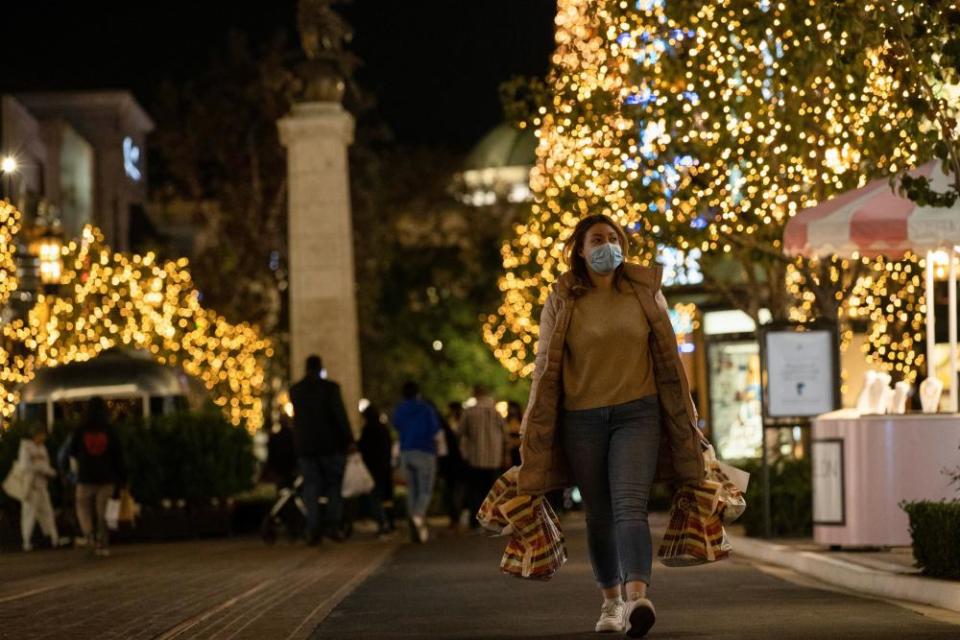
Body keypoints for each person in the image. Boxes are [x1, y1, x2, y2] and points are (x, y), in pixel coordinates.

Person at [516, 214, 706, 638]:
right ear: (579, 250)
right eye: (597, 240)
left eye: (614, 239)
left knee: (629, 507)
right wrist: (533, 422)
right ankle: (610, 603)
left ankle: (638, 597)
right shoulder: (562, 299)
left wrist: (684, 414)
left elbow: (669, 358)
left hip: (638, 413)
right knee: (599, 514)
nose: (607, 246)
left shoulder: (642, 292)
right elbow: (545, 367)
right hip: (581, 419)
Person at [289, 355, 355, 545]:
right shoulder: (330, 389)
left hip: (306, 448)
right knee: (334, 485)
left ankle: (313, 527)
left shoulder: (296, 390)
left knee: (311, 487)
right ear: (320, 368)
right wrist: (349, 440)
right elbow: (340, 416)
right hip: (330, 447)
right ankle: (332, 525)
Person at [70, 397, 126, 557]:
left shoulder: (80, 429)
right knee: (103, 512)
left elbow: (72, 451)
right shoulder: (109, 429)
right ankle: (102, 542)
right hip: (107, 478)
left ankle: (89, 536)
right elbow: (118, 456)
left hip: (85, 477)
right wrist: (122, 478)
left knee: (83, 507)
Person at [391, 381, 440, 544]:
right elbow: (435, 429)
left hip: (406, 451)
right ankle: (418, 516)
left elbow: (396, 425)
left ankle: (413, 521)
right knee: (425, 489)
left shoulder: (400, 409)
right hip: (425, 451)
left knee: (411, 490)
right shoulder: (425, 408)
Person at [459, 385, 508, 529]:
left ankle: (477, 521)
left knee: (475, 490)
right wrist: (505, 454)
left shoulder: (469, 412)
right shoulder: (496, 412)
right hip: (494, 459)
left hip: (475, 458)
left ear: (474, 393)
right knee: (493, 491)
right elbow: (505, 435)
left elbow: (460, 433)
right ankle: (493, 519)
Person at [17, 424, 59, 551]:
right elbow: (24, 467)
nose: (44, 437)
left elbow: (45, 466)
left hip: (42, 486)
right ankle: (26, 542)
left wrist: (48, 471)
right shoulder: (26, 447)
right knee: (29, 515)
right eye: (42, 434)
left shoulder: (42, 448)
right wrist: (40, 468)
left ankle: (53, 539)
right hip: (31, 487)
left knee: (47, 513)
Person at [357, 404, 394, 537]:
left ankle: (383, 522)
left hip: (373, 469)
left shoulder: (369, 429)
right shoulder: (383, 429)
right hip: (383, 467)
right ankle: (387, 522)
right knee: (381, 497)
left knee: (374, 497)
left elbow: (362, 447)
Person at [439, 401, 465, 530]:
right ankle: (455, 518)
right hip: (455, 463)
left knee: (454, 492)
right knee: (453, 492)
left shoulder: (457, 425)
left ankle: (455, 519)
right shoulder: (450, 424)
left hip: (454, 463)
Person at [505, 401, 523, 468]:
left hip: (519, 451)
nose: (512, 410)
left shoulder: (522, 422)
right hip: (509, 451)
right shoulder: (506, 422)